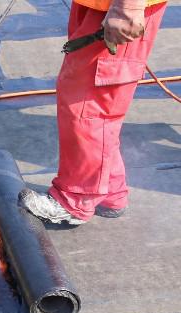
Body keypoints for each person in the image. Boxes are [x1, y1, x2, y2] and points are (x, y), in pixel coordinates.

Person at [20, 0, 167, 224]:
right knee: (94, 102)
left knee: (88, 105)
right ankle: (110, 190)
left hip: (119, 8)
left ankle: (75, 199)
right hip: (102, 6)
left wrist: (127, 6)